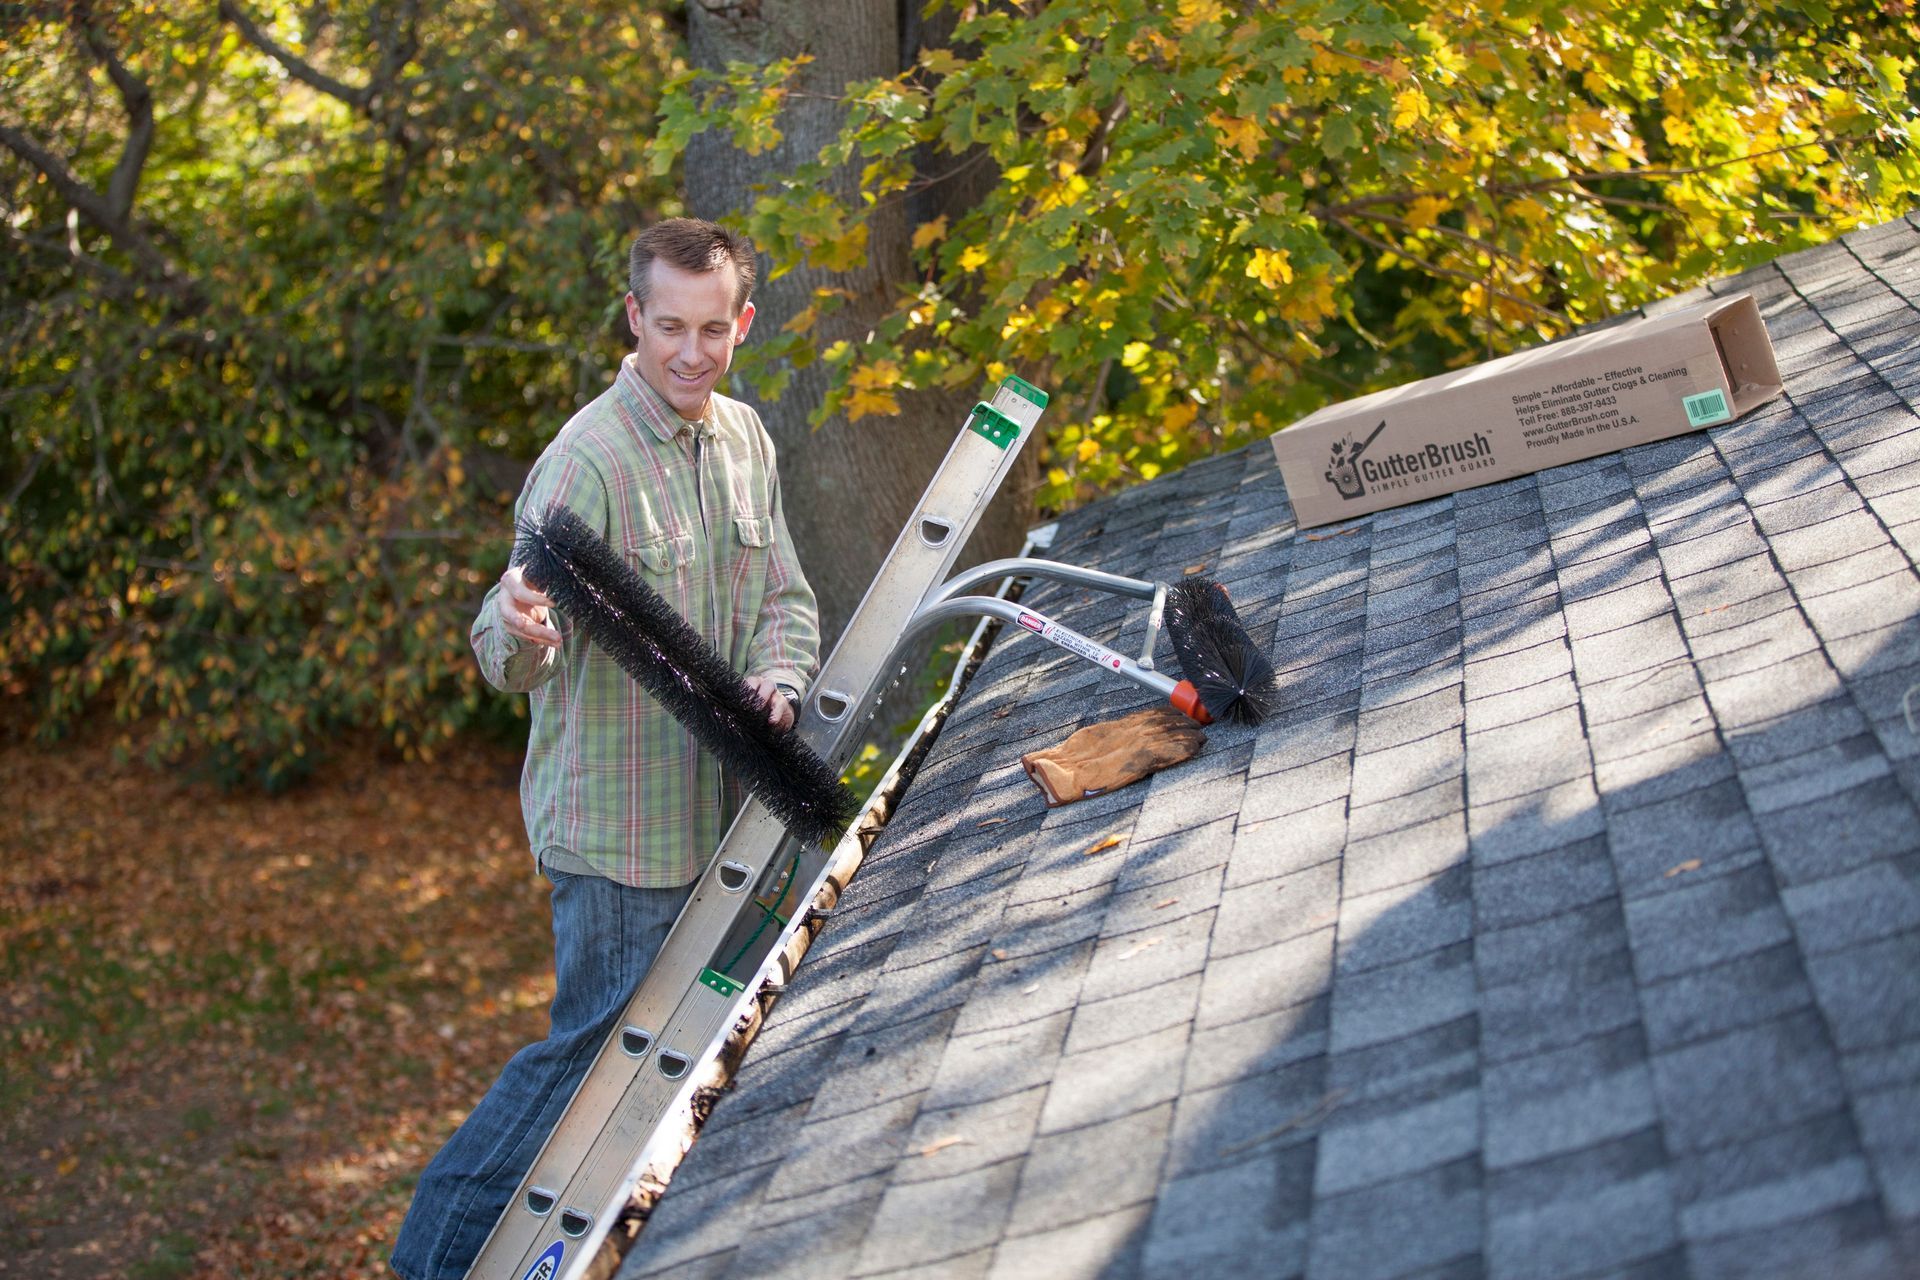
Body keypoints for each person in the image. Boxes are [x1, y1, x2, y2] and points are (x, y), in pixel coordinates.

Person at [390, 218, 819, 1280]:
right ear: (634, 317)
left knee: (675, 1074)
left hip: (725, 821)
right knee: (584, 1068)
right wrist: (521, 624)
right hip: (619, 838)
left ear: (742, 324)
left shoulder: (747, 440)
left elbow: (786, 599)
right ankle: (432, 1257)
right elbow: (503, 645)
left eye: (712, 328)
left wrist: (781, 674)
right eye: (669, 324)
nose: (690, 350)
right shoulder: (585, 460)